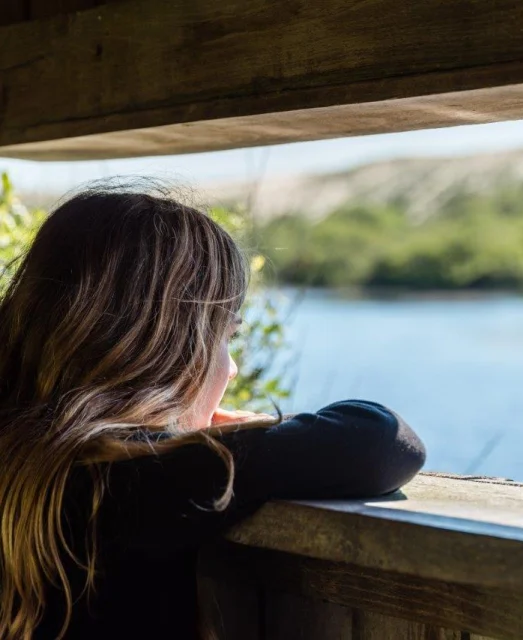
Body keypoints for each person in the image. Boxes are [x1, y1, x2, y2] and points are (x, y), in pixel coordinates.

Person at [0, 186, 426, 640]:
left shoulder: (33, 460)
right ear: (165, 352)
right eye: (226, 338)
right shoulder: (139, 478)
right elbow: (383, 441)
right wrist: (246, 434)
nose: (233, 366)